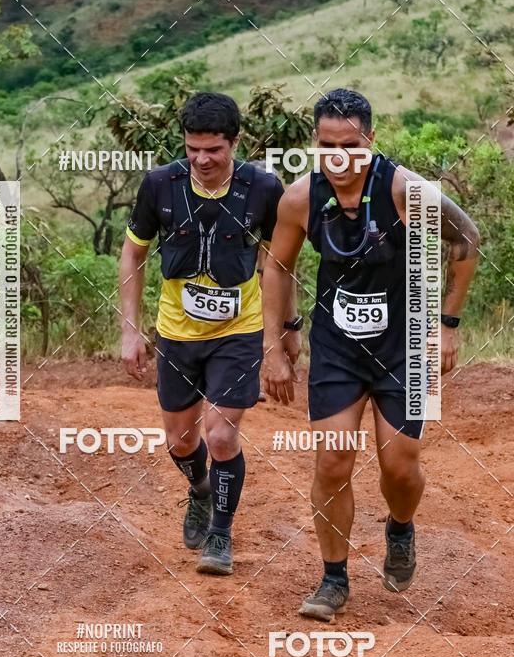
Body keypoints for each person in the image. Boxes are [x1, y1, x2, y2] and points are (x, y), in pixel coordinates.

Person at [262, 88, 480, 620]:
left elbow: (466, 241)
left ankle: (400, 528)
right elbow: (277, 266)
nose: (340, 157)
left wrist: (446, 326)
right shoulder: (299, 198)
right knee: (333, 460)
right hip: (337, 346)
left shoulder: (405, 190)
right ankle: (333, 579)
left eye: (352, 146)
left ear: (371, 140)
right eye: (327, 145)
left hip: (407, 344)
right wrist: (279, 338)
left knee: (400, 466)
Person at [119, 92, 299, 575]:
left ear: (235, 142)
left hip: (240, 330)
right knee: (181, 440)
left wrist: (286, 329)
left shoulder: (263, 187)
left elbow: (280, 261)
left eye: (213, 150)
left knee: (221, 435)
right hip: (177, 332)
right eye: (193, 148)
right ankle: (199, 488)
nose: (202, 159)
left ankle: (220, 533)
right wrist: (131, 331)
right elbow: (132, 256)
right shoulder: (160, 185)